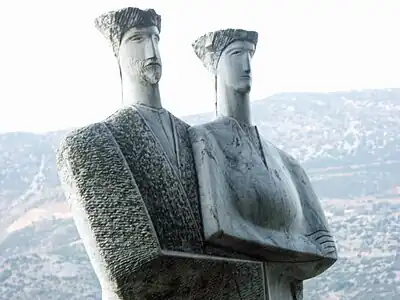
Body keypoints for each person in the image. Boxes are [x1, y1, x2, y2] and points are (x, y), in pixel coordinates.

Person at [57, 9, 264, 299]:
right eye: (137, 39)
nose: (151, 49)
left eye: (155, 38)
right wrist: (247, 275)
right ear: (118, 51)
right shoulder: (93, 143)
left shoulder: (196, 139)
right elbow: (129, 265)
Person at [190, 28, 337, 286]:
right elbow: (221, 227)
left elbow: (325, 248)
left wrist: (267, 239)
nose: (246, 65)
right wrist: (296, 242)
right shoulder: (205, 139)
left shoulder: (287, 162)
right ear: (216, 66)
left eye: (250, 55)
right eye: (236, 54)